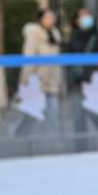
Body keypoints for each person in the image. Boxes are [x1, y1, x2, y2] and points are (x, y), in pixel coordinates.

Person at [67, 8, 98, 147]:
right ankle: (80, 147)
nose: (86, 18)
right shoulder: (72, 39)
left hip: (95, 85)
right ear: (76, 20)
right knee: (78, 117)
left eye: (88, 15)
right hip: (78, 83)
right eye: (82, 16)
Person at [15, 8, 62, 136]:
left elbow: (57, 62)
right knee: (30, 115)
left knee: (53, 113)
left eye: (53, 17)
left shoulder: (55, 35)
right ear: (41, 19)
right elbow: (29, 59)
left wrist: (60, 82)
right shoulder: (33, 35)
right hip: (36, 82)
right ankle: (19, 138)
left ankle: (54, 142)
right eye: (48, 17)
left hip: (51, 82)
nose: (52, 20)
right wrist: (25, 81)